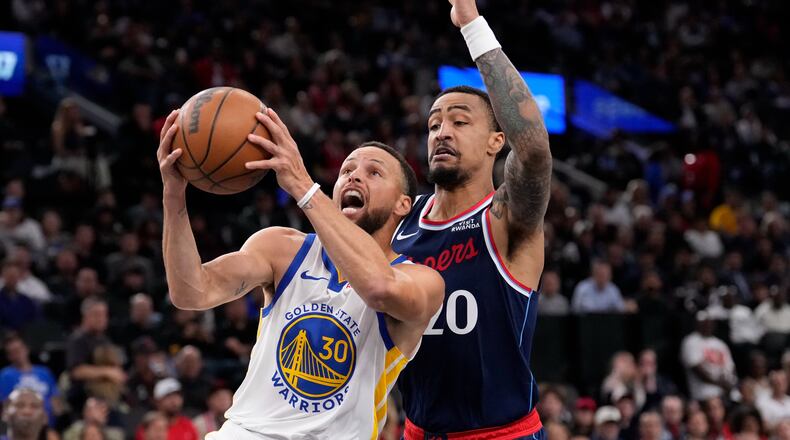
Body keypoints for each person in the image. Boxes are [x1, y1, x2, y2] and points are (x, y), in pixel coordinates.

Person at [157, 104, 443, 439]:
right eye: (347, 169)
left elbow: (379, 287)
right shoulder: (282, 247)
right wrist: (174, 195)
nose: (353, 176)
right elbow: (191, 291)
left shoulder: (422, 281)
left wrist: (302, 186)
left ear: (403, 205)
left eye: (374, 173)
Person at [390, 0, 551, 437]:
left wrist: (472, 26)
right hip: (418, 430)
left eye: (460, 122)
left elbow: (534, 151)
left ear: (496, 141)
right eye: (434, 124)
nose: (442, 131)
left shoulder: (505, 218)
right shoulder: (401, 221)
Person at [0, 334, 62, 426]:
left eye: (19, 349)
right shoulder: (6, 375)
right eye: (13, 352)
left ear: (26, 349)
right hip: (20, 426)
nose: (18, 354)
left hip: (47, 425)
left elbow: (56, 401)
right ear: (9, 357)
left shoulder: (44, 372)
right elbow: (6, 406)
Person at [681, 311, 737, 401]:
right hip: (705, 392)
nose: (708, 325)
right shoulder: (690, 341)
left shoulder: (720, 343)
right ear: (697, 324)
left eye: (710, 322)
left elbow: (731, 367)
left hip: (727, 390)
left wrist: (731, 383)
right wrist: (720, 383)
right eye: (704, 322)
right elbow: (696, 369)